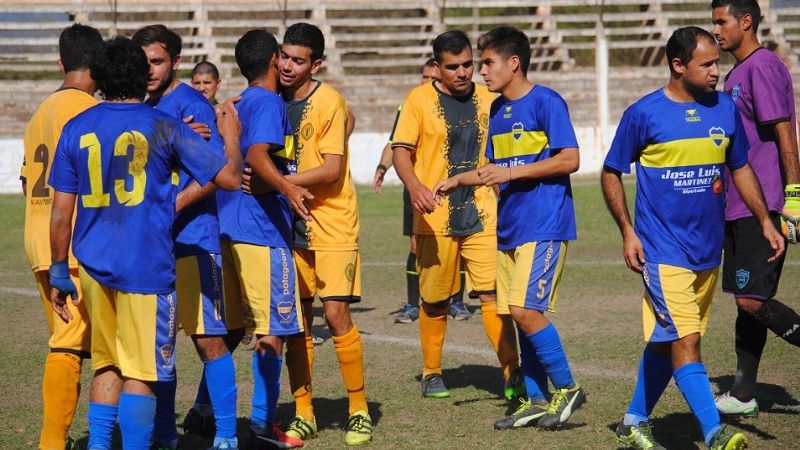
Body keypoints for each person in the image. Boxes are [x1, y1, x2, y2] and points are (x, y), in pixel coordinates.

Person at [48, 36, 242, 450]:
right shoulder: (163, 126)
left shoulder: (76, 127)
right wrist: (230, 135)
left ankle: (101, 446)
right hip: (147, 268)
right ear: (141, 75)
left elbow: (61, 212)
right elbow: (226, 177)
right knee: (142, 372)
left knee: (106, 366)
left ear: (98, 77)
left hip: (93, 267)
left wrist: (59, 269)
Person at [601, 26, 784, 450]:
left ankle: (632, 421)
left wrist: (764, 221)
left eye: (717, 62)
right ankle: (714, 432)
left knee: (669, 340)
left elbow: (739, 167)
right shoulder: (644, 113)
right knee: (687, 340)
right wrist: (628, 231)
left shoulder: (724, 109)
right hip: (662, 251)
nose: (716, 71)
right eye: (706, 64)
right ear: (677, 65)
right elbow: (612, 171)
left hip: (707, 251)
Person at [435, 25, 584, 430]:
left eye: (487, 63)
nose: (482, 72)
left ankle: (567, 389)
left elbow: (569, 159)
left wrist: (514, 171)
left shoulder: (547, 102)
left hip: (545, 223)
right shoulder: (498, 110)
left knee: (524, 309)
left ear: (513, 63)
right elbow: (492, 171)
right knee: (515, 314)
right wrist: (456, 181)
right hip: (510, 228)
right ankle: (536, 399)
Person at [391, 30, 521, 401]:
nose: (463, 73)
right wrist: (415, 186)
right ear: (437, 67)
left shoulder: (490, 98)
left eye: (468, 64)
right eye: (453, 67)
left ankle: (512, 371)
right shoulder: (417, 100)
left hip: (483, 211)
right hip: (435, 215)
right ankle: (432, 371)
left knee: (493, 294)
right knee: (434, 300)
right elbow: (401, 150)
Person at [131, 24, 238, 450]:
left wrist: (168, 208)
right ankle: (163, 435)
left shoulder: (191, 104)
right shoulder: (145, 104)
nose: (149, 70)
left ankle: (228, 435)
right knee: (162, 344)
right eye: (143, 63)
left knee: (208, 338)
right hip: (157, 246)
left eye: (156, 61)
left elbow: (214, 176)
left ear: (175, 62)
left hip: (195, 239)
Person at [275, 22, 372, 446]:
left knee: (334, 315)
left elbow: (332, 169)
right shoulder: (271, 100)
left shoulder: (329, 101)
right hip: (287, 222)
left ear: (316, 64)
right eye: (284, 57)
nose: (288, 66)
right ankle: (304, 413)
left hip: (330, 221)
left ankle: (358, 409)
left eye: (298, 60)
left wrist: (283, 183)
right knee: (296, 321)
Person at [217, 28, 311, 449]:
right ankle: (260, 427)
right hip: (260, 230)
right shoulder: (269, 101)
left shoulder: (240, 103)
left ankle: (210, 417)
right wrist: (289, 188)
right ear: (274, 59)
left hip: (229, 227)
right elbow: (256, 156)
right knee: (274, 331)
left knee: (233, 330)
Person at [711, 0, 800, 417]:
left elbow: (785, 135)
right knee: (748, 297)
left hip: (762, 205)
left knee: (751, 301)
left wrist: (795, 197)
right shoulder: (736, 73)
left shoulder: (762, 67)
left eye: (721, 21)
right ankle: (744, 393)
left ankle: (744, 392)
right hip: (737, 205)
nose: (716, 30)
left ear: (746, 21)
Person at [21, 23, 102, 450]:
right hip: (65, 238)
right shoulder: (83, 110)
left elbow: (24, 180)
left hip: (36, 234)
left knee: (70, 341)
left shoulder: (41, 111)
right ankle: (51, 442)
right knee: (70, 344)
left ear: (61, 62)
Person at [373, 60, 472, 324]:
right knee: (416, 245)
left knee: (458, 242)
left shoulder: (458, 103)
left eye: (431, 77)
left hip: (453, 186)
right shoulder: (411, 104)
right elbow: (396, 144)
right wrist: (383, 166)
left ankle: (458, 302)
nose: (425, 82)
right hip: (418, 186)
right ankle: (412, 304)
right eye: (423, 77)